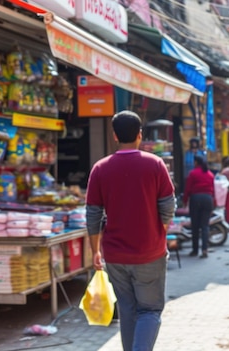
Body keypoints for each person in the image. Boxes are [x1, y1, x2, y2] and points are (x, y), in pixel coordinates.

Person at [85, 110, 176, 351]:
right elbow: (168, 205)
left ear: (115, 136)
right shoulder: (155, 164)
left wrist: (95, 250)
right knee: (150, 310)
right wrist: (161, 230)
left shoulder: (100, 168)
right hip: (150, 252)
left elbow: (93, 214)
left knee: (128, 311)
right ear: (139, 135)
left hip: (115, 254)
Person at [183, 155, 216, 258]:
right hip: (208, 199)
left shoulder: (193, 173)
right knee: (205, 226)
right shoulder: (210, 174)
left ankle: (195, 250)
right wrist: (213, 202)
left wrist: (185, 201)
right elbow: (213, 190)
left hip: (196, 199)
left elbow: (188, 189)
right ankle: (205, 249)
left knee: (195, 226)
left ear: (196, 162)